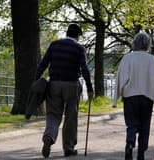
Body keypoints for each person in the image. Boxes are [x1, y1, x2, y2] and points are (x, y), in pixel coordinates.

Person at [35, 23, 94, 158]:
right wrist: (90, 88)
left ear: (67, 33)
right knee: (70, 117)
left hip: (54, 84)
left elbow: (43, 63)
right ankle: (68, 148)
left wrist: (36, 78)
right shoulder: (79, 48)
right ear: (78, 36)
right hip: (72, 85)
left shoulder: (54, 45)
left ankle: (49, 136)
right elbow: (84, 69)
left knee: (53, 115)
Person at [113, 32, 154, 160]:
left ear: (134, 43)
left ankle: (130, 143)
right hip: (147, 96)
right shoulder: (152, 59)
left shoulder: (127, 58)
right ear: (148, 44)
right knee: (145, 125)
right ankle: (141, 152)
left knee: (131, 123)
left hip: (130, 95)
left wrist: (119, 94)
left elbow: (120, 77)